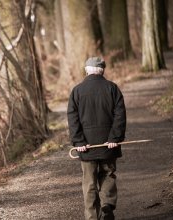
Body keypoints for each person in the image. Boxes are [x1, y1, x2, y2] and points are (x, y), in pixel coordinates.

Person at [67, 57, 126, 220]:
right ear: (102, 70)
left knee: (89, 182)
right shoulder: (112, 88)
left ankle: (92, 217)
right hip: (109, 144)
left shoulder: (77, 91)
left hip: (86, 147)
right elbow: (120, 116)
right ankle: (107, 205)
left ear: (87, 70)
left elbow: (72, 118)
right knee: (108, 174)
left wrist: (79, 141)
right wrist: (115, 137)